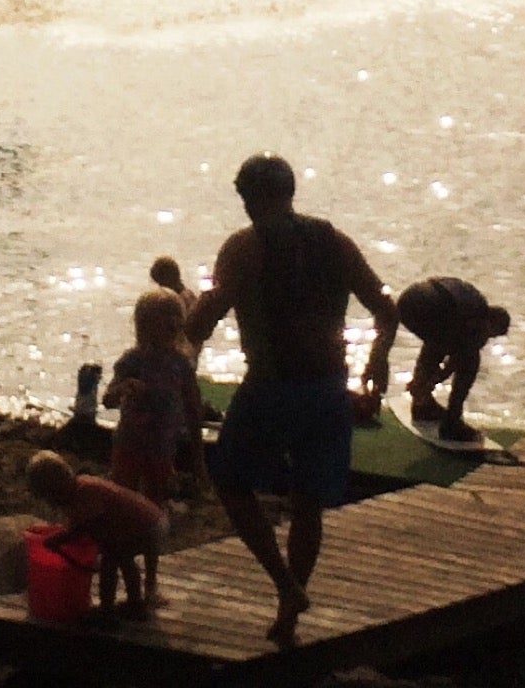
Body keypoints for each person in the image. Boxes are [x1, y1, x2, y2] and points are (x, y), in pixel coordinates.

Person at [186, 152, 399, 644]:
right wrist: (378, 359)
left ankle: (285, 584)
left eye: (244, 196)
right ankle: (289, 612)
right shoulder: (335, 241)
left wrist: (187, 326)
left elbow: (206, 317)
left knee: (231, 482)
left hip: (273, 386)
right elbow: (386, 310)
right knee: (308, 504)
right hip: (328, 388)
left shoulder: (244, 248)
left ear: (251, 197)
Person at [25, 449, 167, 617]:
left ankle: (122, 606)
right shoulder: (79, 489)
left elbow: (84, 526)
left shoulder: (85, 492)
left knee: (115, 558)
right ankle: (122, 604)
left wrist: (58, 539)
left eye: (49, 496)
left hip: (146, 527)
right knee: (115, 557)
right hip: (140, 525)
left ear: (56, 488)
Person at [103, 287, 208, 511]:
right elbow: (108, 400)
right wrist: (124, 387)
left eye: (176, 316)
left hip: (162, 445)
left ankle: (150, 528)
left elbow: (192, 409)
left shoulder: (181, 364)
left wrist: (198, 459)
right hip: (129, 442)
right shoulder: (133, 360)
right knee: (121, 493)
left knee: (155, 496)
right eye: (163, 317)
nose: (171, 322)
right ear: (145, 325)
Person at [396, 277, 511, 443]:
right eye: (492, 334)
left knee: (434, 345)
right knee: (471, 359)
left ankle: (422, 405)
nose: (488, 339)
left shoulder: (473, 306)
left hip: (408, 300)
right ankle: (452, 421)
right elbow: (458, 359)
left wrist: (428, 380)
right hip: (431, 305)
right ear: (491, 323)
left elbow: (445, 350)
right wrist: (434, 379)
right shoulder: (477, 317)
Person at [149, 255, 200, 363]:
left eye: (161, 283)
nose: (160, 287)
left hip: (182, 352)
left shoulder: (179, 300)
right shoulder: (190, 296)